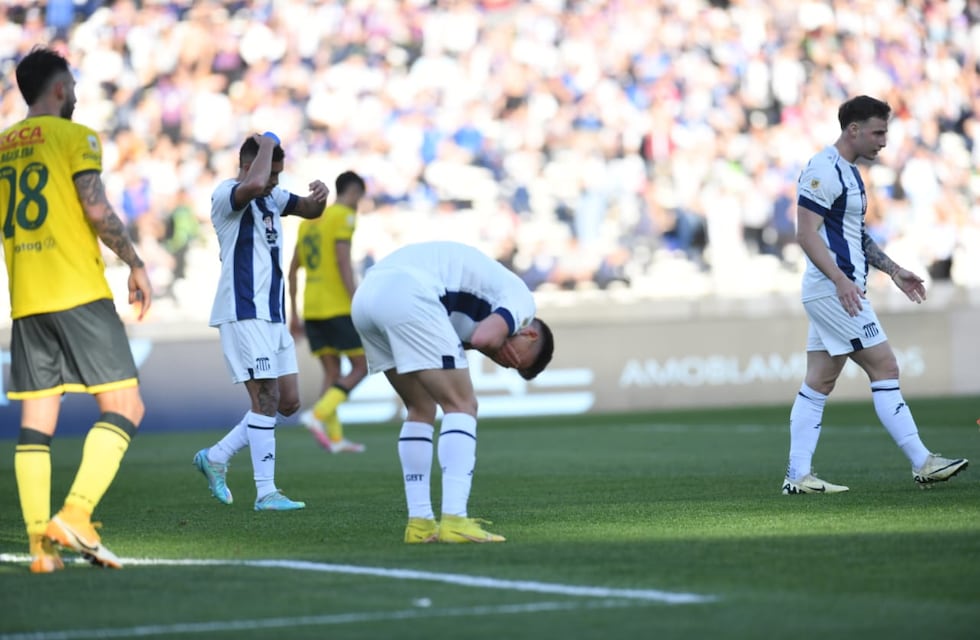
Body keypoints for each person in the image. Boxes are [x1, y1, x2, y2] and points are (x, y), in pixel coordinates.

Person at [3, 47, 152, 572]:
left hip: (27, 299)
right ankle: (76, 514)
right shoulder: (76, 136)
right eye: (74, 86)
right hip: (77, 292)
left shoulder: (2, 147)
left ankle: (41, 550)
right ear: (61, 89)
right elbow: (95, 207)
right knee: (125, 407)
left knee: (36, 421)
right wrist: (134, 261)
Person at [782, 95, 968, 495]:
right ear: (853, 129)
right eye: (878, 132)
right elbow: (804, 233)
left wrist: (895, 270)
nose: (883, 141)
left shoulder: (850, 174)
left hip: (838, 288)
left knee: (819, 381)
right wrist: (839, 280)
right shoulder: (823, 169)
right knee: (885, 366)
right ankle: (923, 462)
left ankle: (797, 476)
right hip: (835, 291)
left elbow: (855, 236)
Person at [350, 240, 555, 543]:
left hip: (367, 297)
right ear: (529, 332)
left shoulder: (484, 307)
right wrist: (495, 342)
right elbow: (486, 338)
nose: (505, 359)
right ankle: (455, 519)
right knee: (462, 405)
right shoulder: (523, 303)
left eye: (511, 366)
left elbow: (472, 337)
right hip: (408, 292)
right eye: (514, 357)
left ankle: (419, 525)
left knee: (420, 408)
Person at [192, 132, 328, 511]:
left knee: (287, 402)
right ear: (253, 165)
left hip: (272, 314)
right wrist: (267, 140)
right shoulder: (227, 194)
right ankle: (266, 492)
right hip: (243, 310)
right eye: (272, 174)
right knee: (265, 397)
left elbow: (310, 211)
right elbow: (252, 182)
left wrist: (321, 198)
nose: (275, 183)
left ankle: (217, 455)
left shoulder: (272, 197)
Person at [288, 170, 367, 453]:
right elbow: (342, 261)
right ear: (354, 191)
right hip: (337, 306)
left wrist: (294, 313)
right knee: (361, 366)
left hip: (312, 307)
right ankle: (318, 415)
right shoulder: (344, 215)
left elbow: (293, 270)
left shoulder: (309, 223)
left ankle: (334, 439)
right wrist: (356, 300)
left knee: (332, 372)